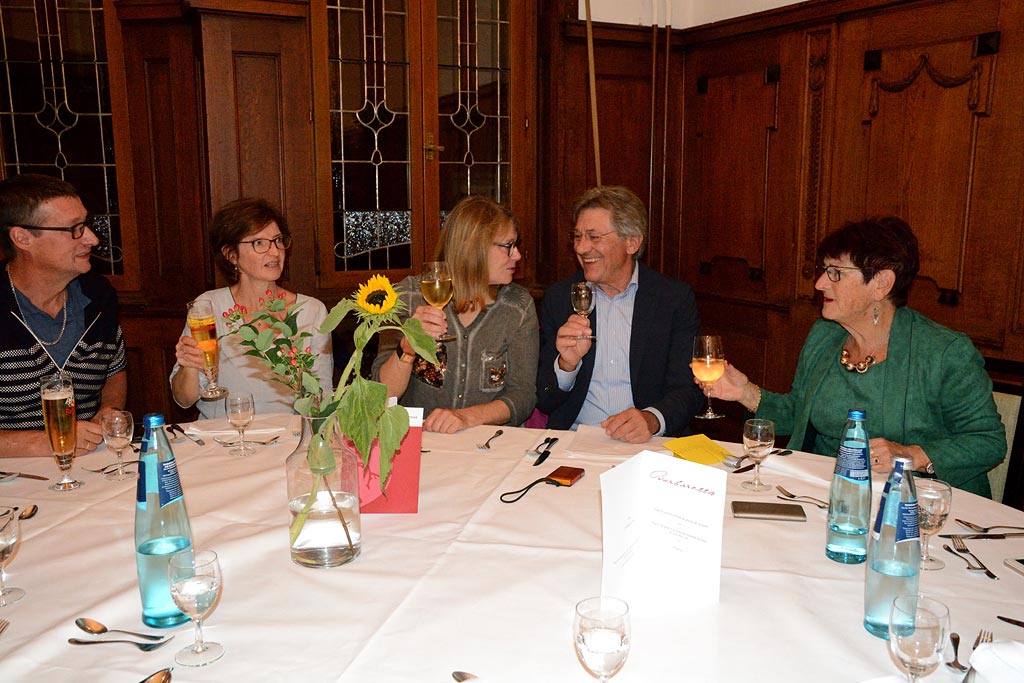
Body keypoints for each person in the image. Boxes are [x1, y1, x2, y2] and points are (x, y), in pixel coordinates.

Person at [707, 217, 1006, 496]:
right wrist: (744, 392)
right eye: (825, 270)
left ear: (881, 283)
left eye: (835, 272)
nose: (820, 283)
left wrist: (911, 455)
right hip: (822, 493)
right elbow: (800, 413)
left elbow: (987, 442)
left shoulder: (944, 352)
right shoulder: (825, 336)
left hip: (912, 504)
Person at [536, 186, 704, 443]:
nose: (581, 248)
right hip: (575, 441)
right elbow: (546, 400)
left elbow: (689, 390)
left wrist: (651, 419)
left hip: (649, 443)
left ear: (632, 242)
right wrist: (566, 366)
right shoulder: (560, 299)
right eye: (578, 236)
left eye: (594, 237)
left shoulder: (672, 300)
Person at [372, 195, 538, 433]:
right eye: (508, 246)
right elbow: (382, 393)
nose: (517, 255)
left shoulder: (517, 306)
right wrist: (407, 348)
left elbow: (522, 397)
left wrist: (465, 418)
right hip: (421, 444)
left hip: (489, 445)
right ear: (474, 247)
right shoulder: (407, 297)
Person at [0, 173, 127, 457]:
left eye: (87, 225)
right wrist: (43, 442)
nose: (92, 240)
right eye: (75, 229)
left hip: (89, 469)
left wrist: (109, 409)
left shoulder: (99, 296)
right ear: (22, 238)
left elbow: (114, 370)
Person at [170, 199, 332, 418]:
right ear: (231, 255)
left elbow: (321, 399)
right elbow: (183, 399)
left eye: (277, 241)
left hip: (288, 440)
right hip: (223, 441)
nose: (274, 252)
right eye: (259, 243)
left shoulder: (312, 311)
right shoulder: (208, 307)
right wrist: (189, 364)